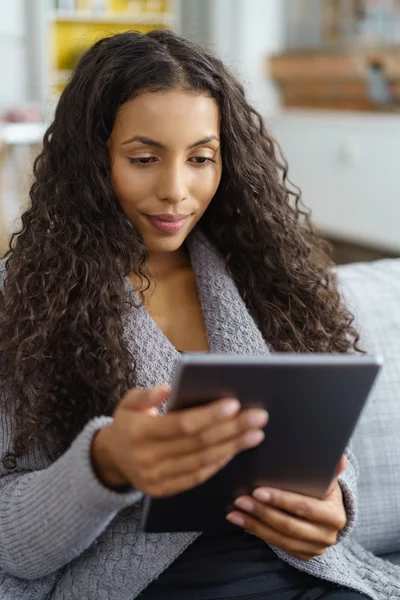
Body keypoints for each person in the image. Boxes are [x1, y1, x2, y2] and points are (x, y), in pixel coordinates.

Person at [0, 30, 397, 600]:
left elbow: (327, 445)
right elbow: (11, 544)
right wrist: (104, 464)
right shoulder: (25, 301)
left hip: (303, 576)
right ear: (91, 161)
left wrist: (332, 506)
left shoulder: (266, 278)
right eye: (143, 159)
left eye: (201, 159)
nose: (176, 191)